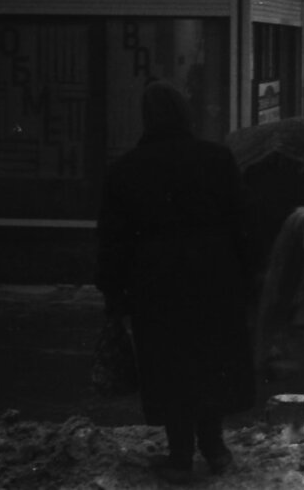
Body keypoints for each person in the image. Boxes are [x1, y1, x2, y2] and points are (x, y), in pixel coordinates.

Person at [96, 81, 254, 485]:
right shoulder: (216, 158)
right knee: (211, 359)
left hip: (156, 278)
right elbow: (242, 222)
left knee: (169, 366)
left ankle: (180, 456)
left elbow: (113, 239)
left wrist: (114, 292)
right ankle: (216, 449)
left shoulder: (126, 169)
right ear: (187, 115)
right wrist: (250, 275)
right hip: (216, 273)